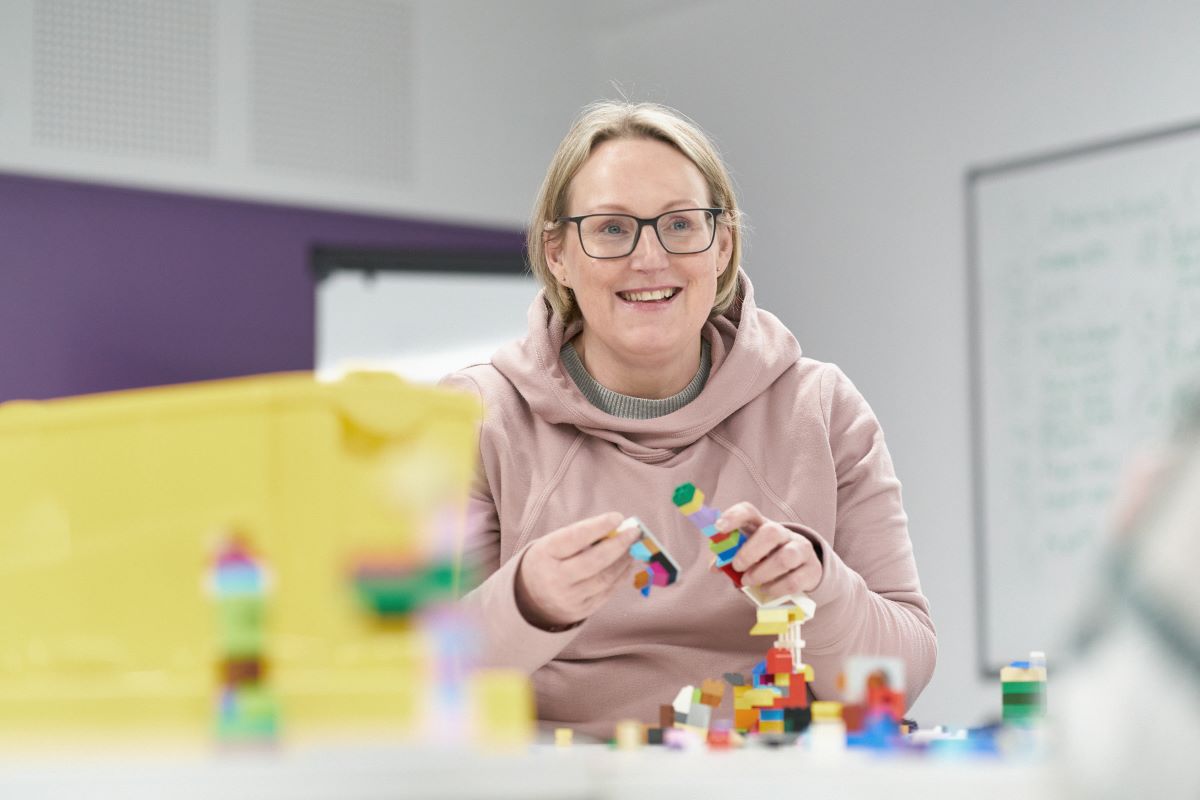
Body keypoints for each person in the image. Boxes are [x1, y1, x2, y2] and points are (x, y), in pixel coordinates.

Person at [442, 101, 936, 739]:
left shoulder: (822, 408)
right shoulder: (474, 418)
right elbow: (412, 679)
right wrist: (527, 603)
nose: (650, 258)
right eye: (612, 229)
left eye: (680, 224)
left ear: (723, 245)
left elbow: (902, 677)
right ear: (558, 253)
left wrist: (819, 586)